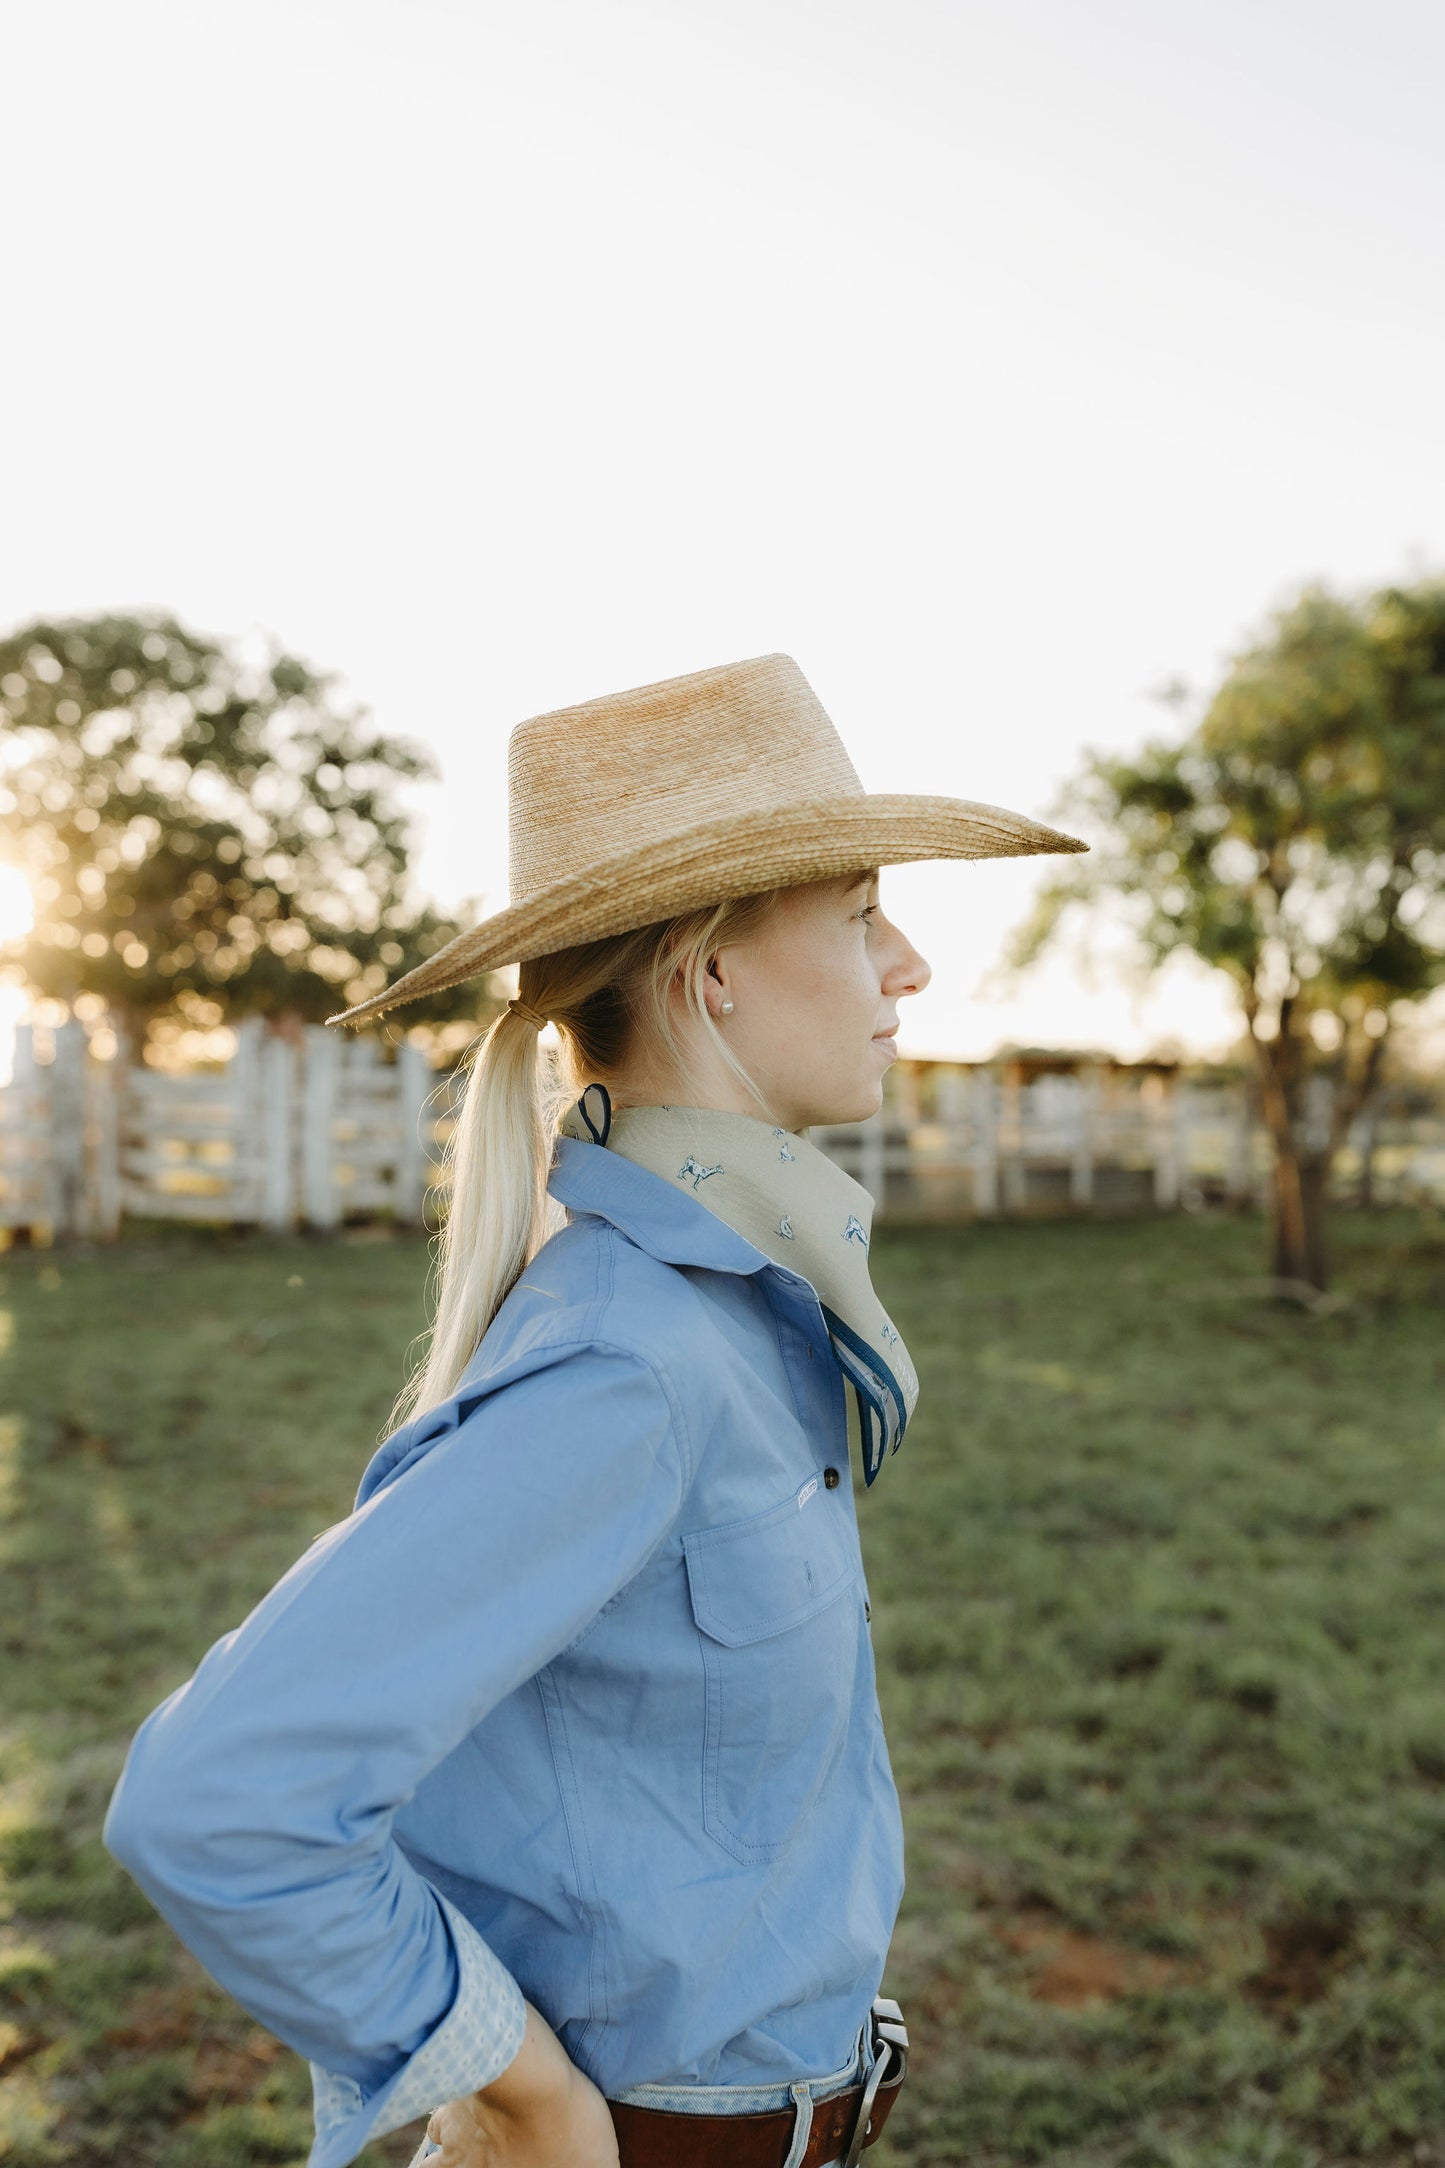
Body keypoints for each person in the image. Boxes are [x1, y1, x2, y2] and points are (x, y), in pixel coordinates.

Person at [102, 653, 1086, 2168]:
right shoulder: (632, 1361)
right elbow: (218, 1798)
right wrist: (523, 2089)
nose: (908, 968)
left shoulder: (731, 1315)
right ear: (710, 976)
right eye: (857, 913)